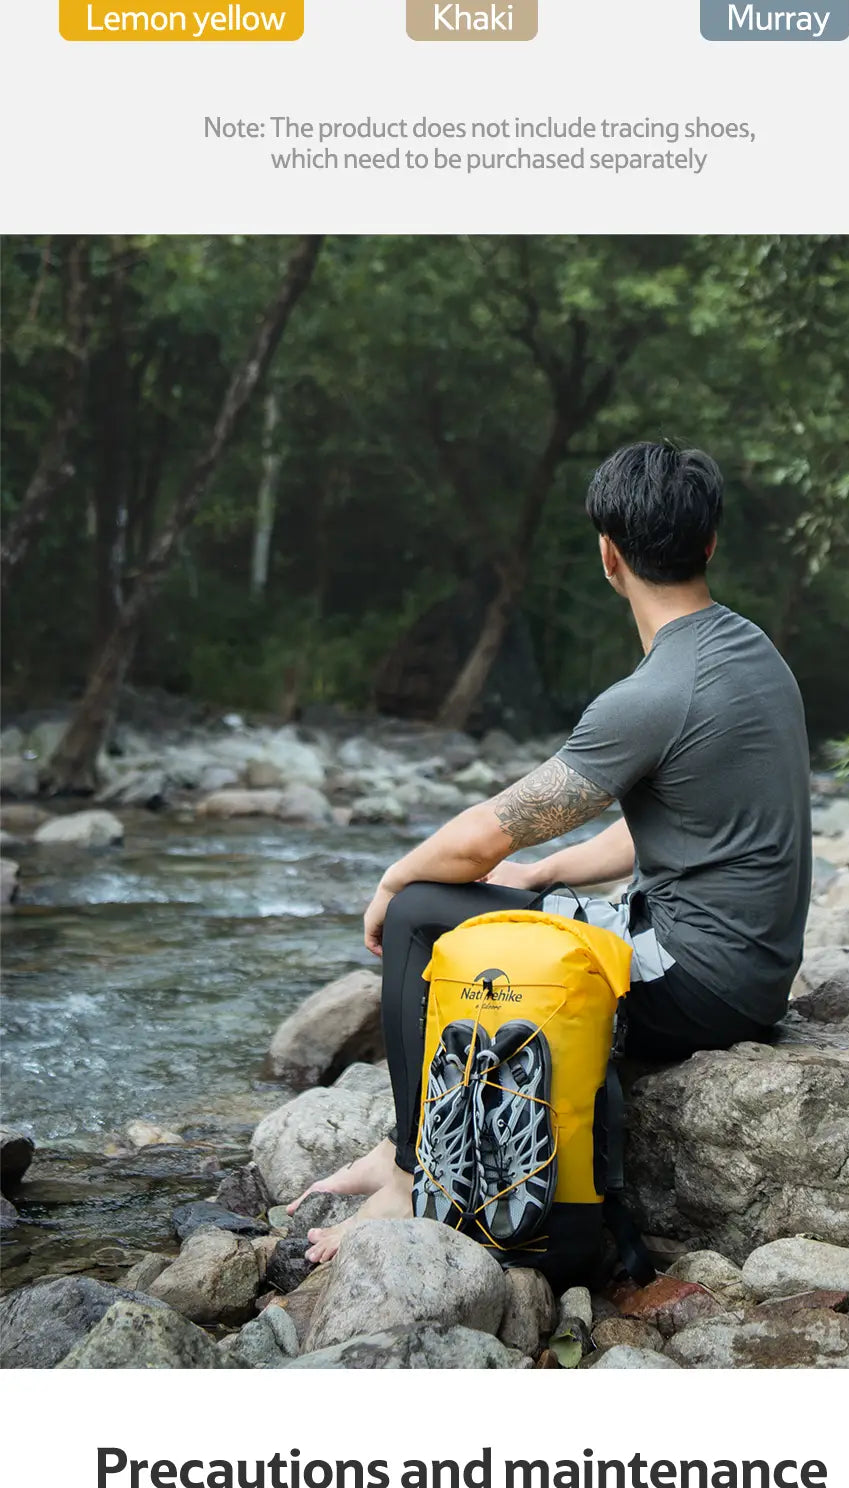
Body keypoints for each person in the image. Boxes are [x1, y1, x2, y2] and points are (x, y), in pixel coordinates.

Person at [287, 440, 812, 1262]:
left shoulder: (651, 695)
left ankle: (404, 1171)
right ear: (709, 544)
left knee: (426, 912)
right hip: (750, 973)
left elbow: (484, 834)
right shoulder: (754, 656)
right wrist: (542, 875)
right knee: (486, 900)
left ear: (608, 555)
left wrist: (394, 877)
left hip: (699, 984)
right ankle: (404, 1155)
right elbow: (686, 819)